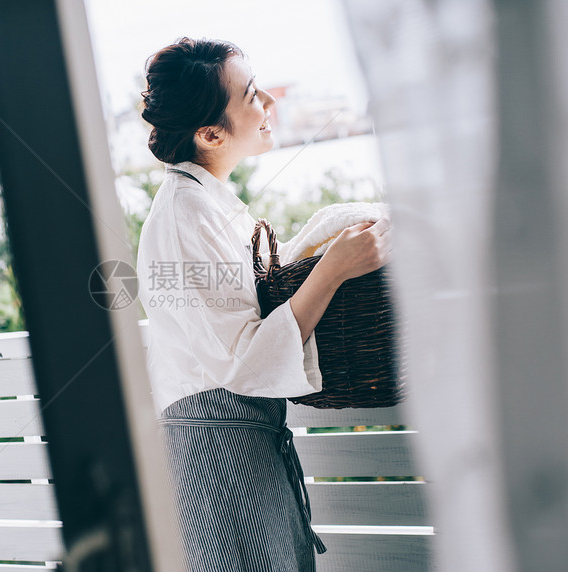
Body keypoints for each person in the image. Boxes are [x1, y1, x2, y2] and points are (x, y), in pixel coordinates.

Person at [136, 37, 391, 572]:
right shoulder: (186, 214)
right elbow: (243, 360)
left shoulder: (206, 201)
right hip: (218, 456)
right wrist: (335, 267)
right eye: (252, 95)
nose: (269, 103)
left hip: (238, 442)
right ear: (209, 134)